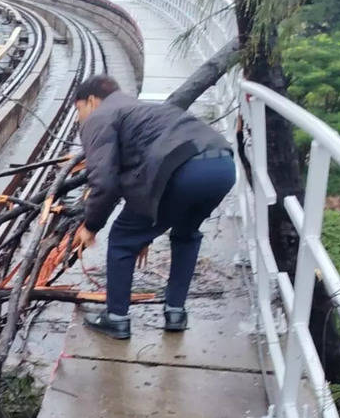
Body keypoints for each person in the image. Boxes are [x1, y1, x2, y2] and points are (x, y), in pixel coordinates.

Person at [72, 75, 235, 340]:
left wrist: (91, 225)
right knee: (186, 235)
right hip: (222, 167)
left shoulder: (100, 116)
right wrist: (147, 227)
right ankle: (175, 313)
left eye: (78, 110)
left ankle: (116, 319)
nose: (79, 118)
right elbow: (138, 169)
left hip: (183, 170)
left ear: (91, 101)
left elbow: (104, 181)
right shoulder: (143, 110)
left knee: (122, 240)